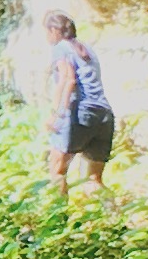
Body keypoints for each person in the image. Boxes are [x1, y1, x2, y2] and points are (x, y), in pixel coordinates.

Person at [42, 13, 115, 190]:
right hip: (104, 115)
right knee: (94, 180)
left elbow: (68, 80)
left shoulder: (61, 48)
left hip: (79, 114)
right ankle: (114, 215)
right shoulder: (86, 48)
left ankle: (59, 217)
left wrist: (56, 114)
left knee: (57, 172)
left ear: (53, 30)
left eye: (46, 32)